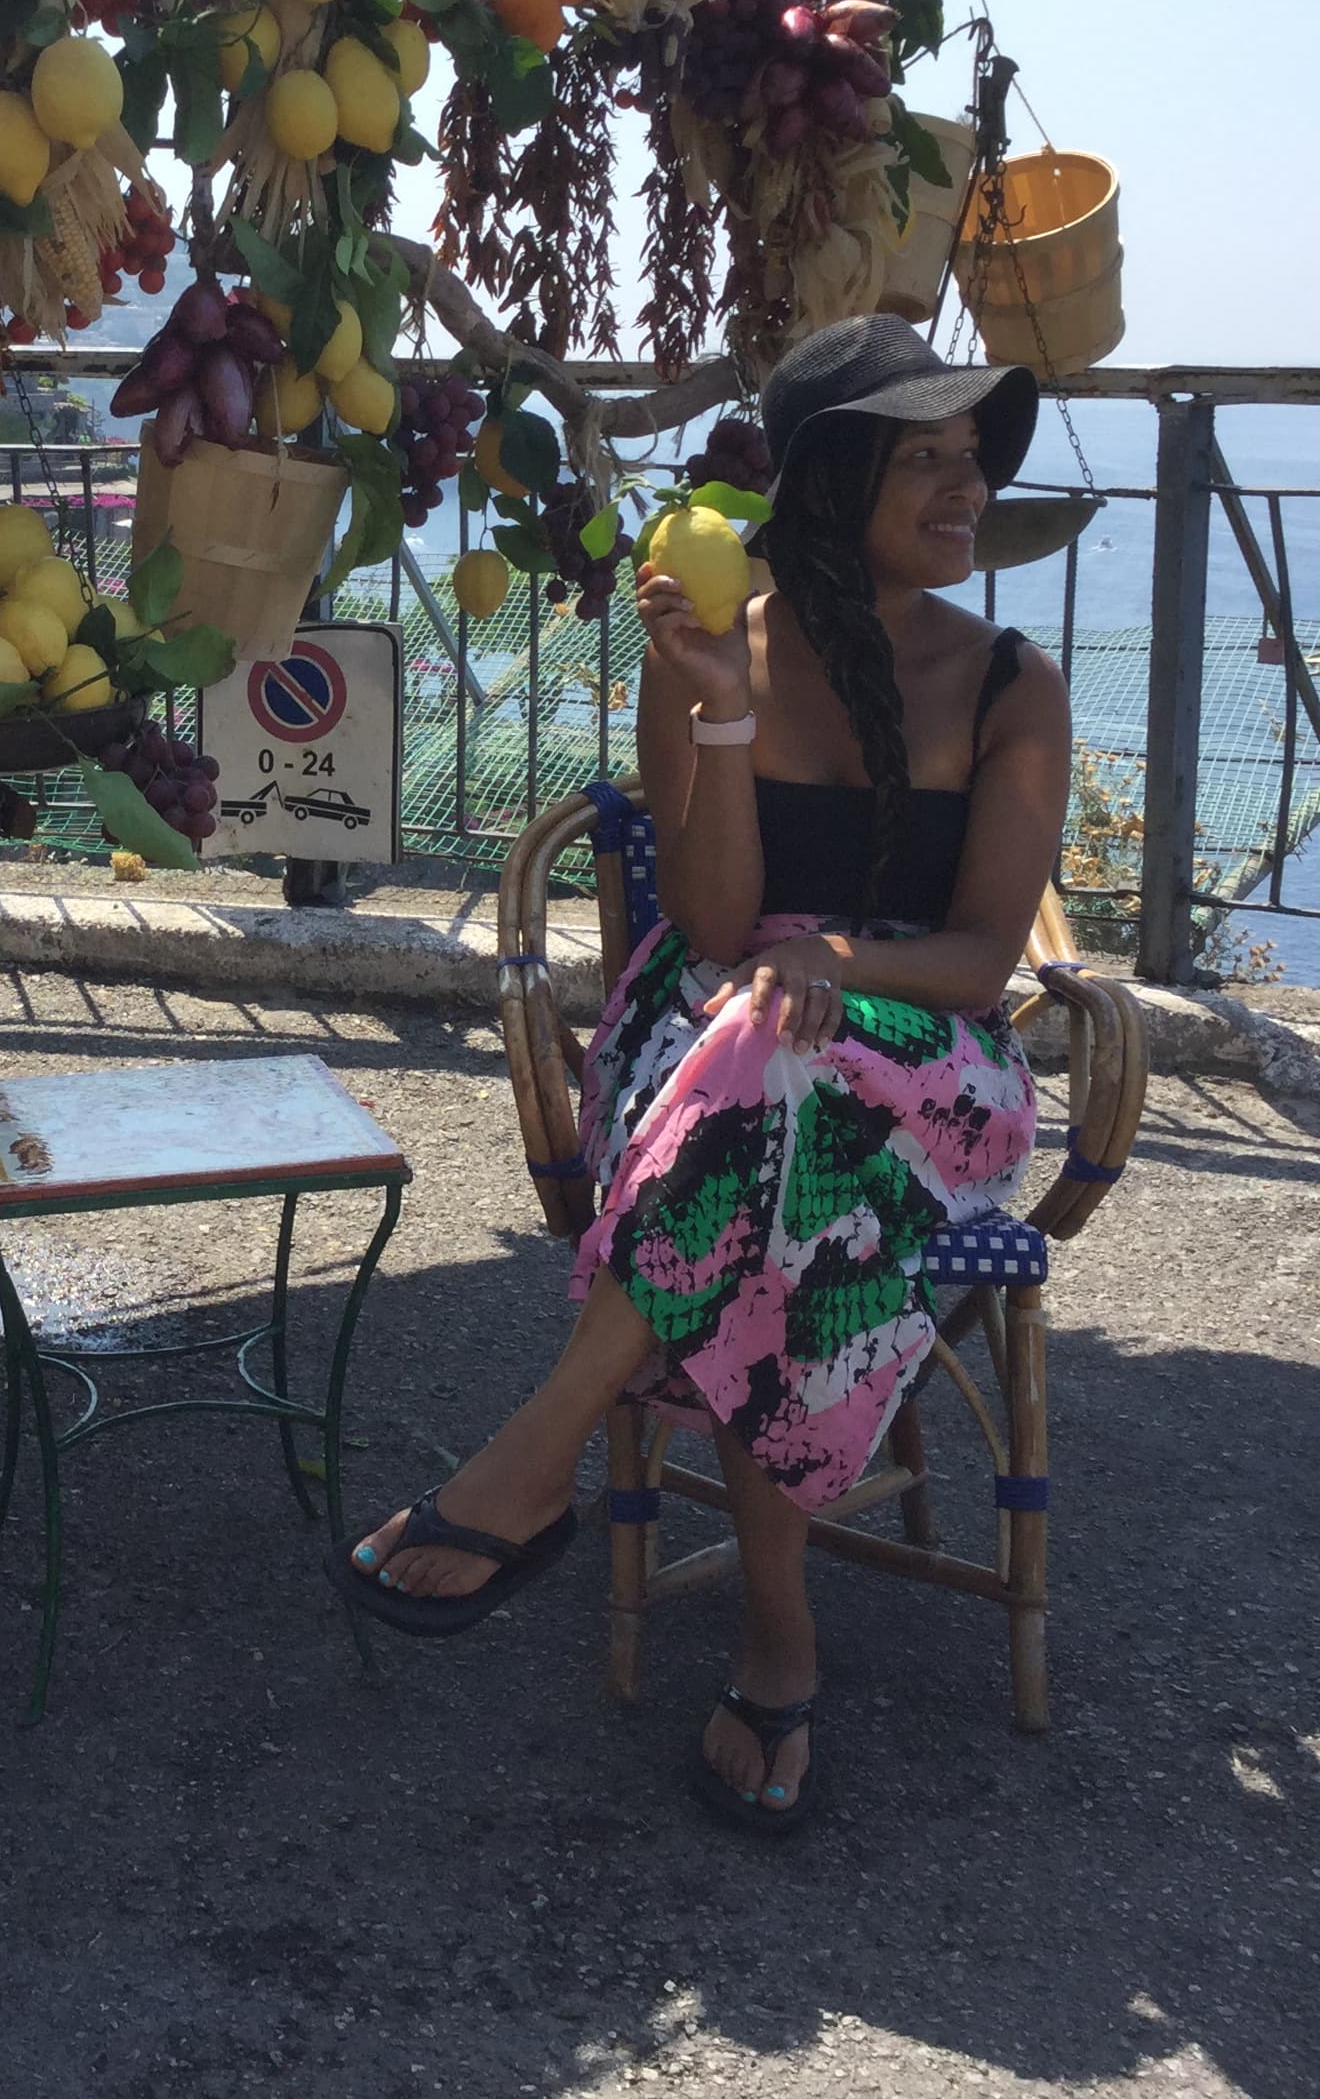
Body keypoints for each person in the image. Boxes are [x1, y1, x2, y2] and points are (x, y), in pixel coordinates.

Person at [334, 315, 1072, 1834]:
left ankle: (541, 1447)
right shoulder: (710, 649)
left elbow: (981, 958)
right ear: (833, 480)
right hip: (713, 1040)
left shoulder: (1012, 682)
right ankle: (775, 1643)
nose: (966, 489)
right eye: (922, 460)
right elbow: (720, 924)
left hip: (928, 1060)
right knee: (772, 1101)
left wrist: (830, 964)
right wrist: (722, 711)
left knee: (779, 1068)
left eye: (970, 457)